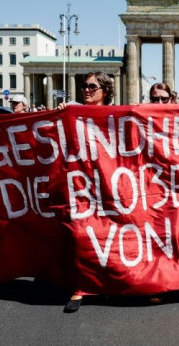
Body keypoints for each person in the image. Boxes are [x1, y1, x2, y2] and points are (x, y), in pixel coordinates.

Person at [65, 71, 114, 313]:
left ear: (105, 91)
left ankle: (135, 284)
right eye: (84, 86)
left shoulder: (115, 116)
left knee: (115, 236)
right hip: (82, 185)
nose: (86, 90)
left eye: (92, 86)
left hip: (111, 185)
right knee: (83, 234)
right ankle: (81, 287)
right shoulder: (71, 113)